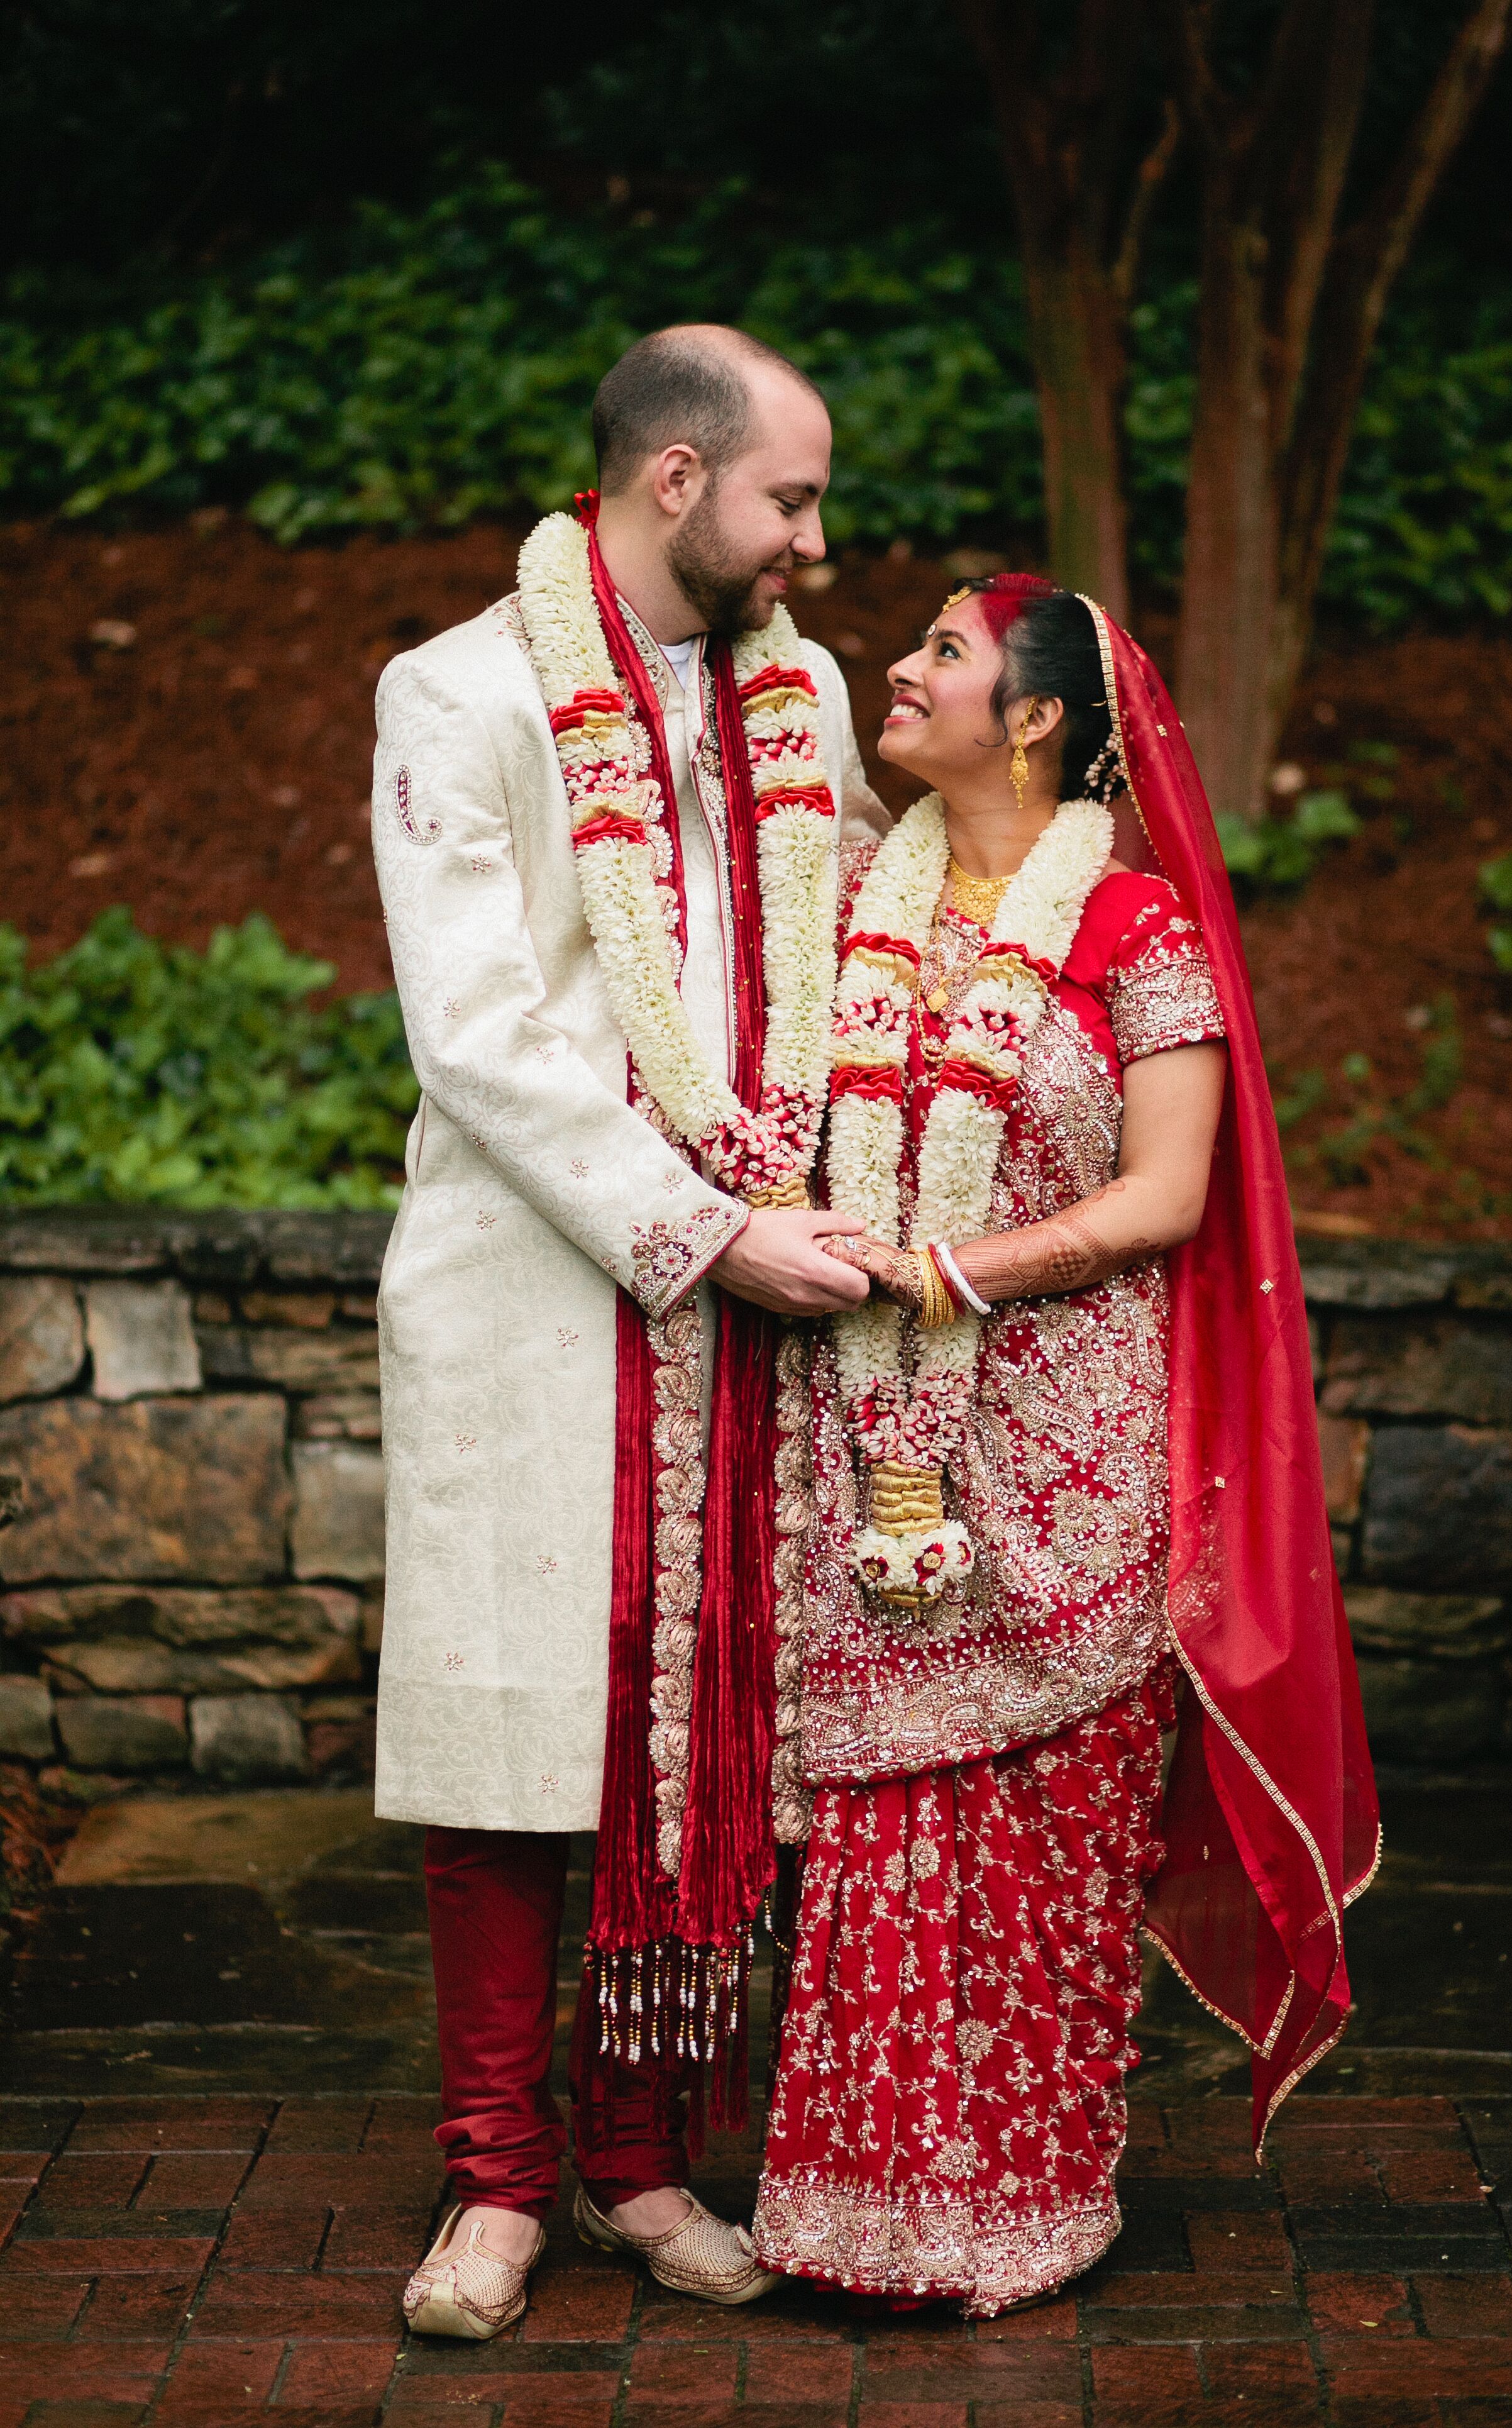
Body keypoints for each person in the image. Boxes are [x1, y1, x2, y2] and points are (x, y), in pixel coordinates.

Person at [752, 574, 1379, 2317]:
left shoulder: (1136, 930)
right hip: (873, 1426)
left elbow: (1167, 1195)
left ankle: (1024, 2212)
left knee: (1033, 1840)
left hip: (1071, 1451)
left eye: (945, 650)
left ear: (1032, 718)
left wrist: (956, 1265)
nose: (902, 662)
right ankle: (842, 2211)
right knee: (878, 1834)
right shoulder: (847, 913)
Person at [369, 324, 886, 2338]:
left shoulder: (806, 690)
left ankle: (639, 2160)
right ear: (677, 481)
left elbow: (856, 937)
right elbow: (478, 1031)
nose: (815, 548)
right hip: (539, 1281)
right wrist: (707, 1229)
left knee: (717, 1745)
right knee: (513, 1735)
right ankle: (495, 2191)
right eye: (791, 498)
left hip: (756, 1308)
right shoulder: (460, 692)